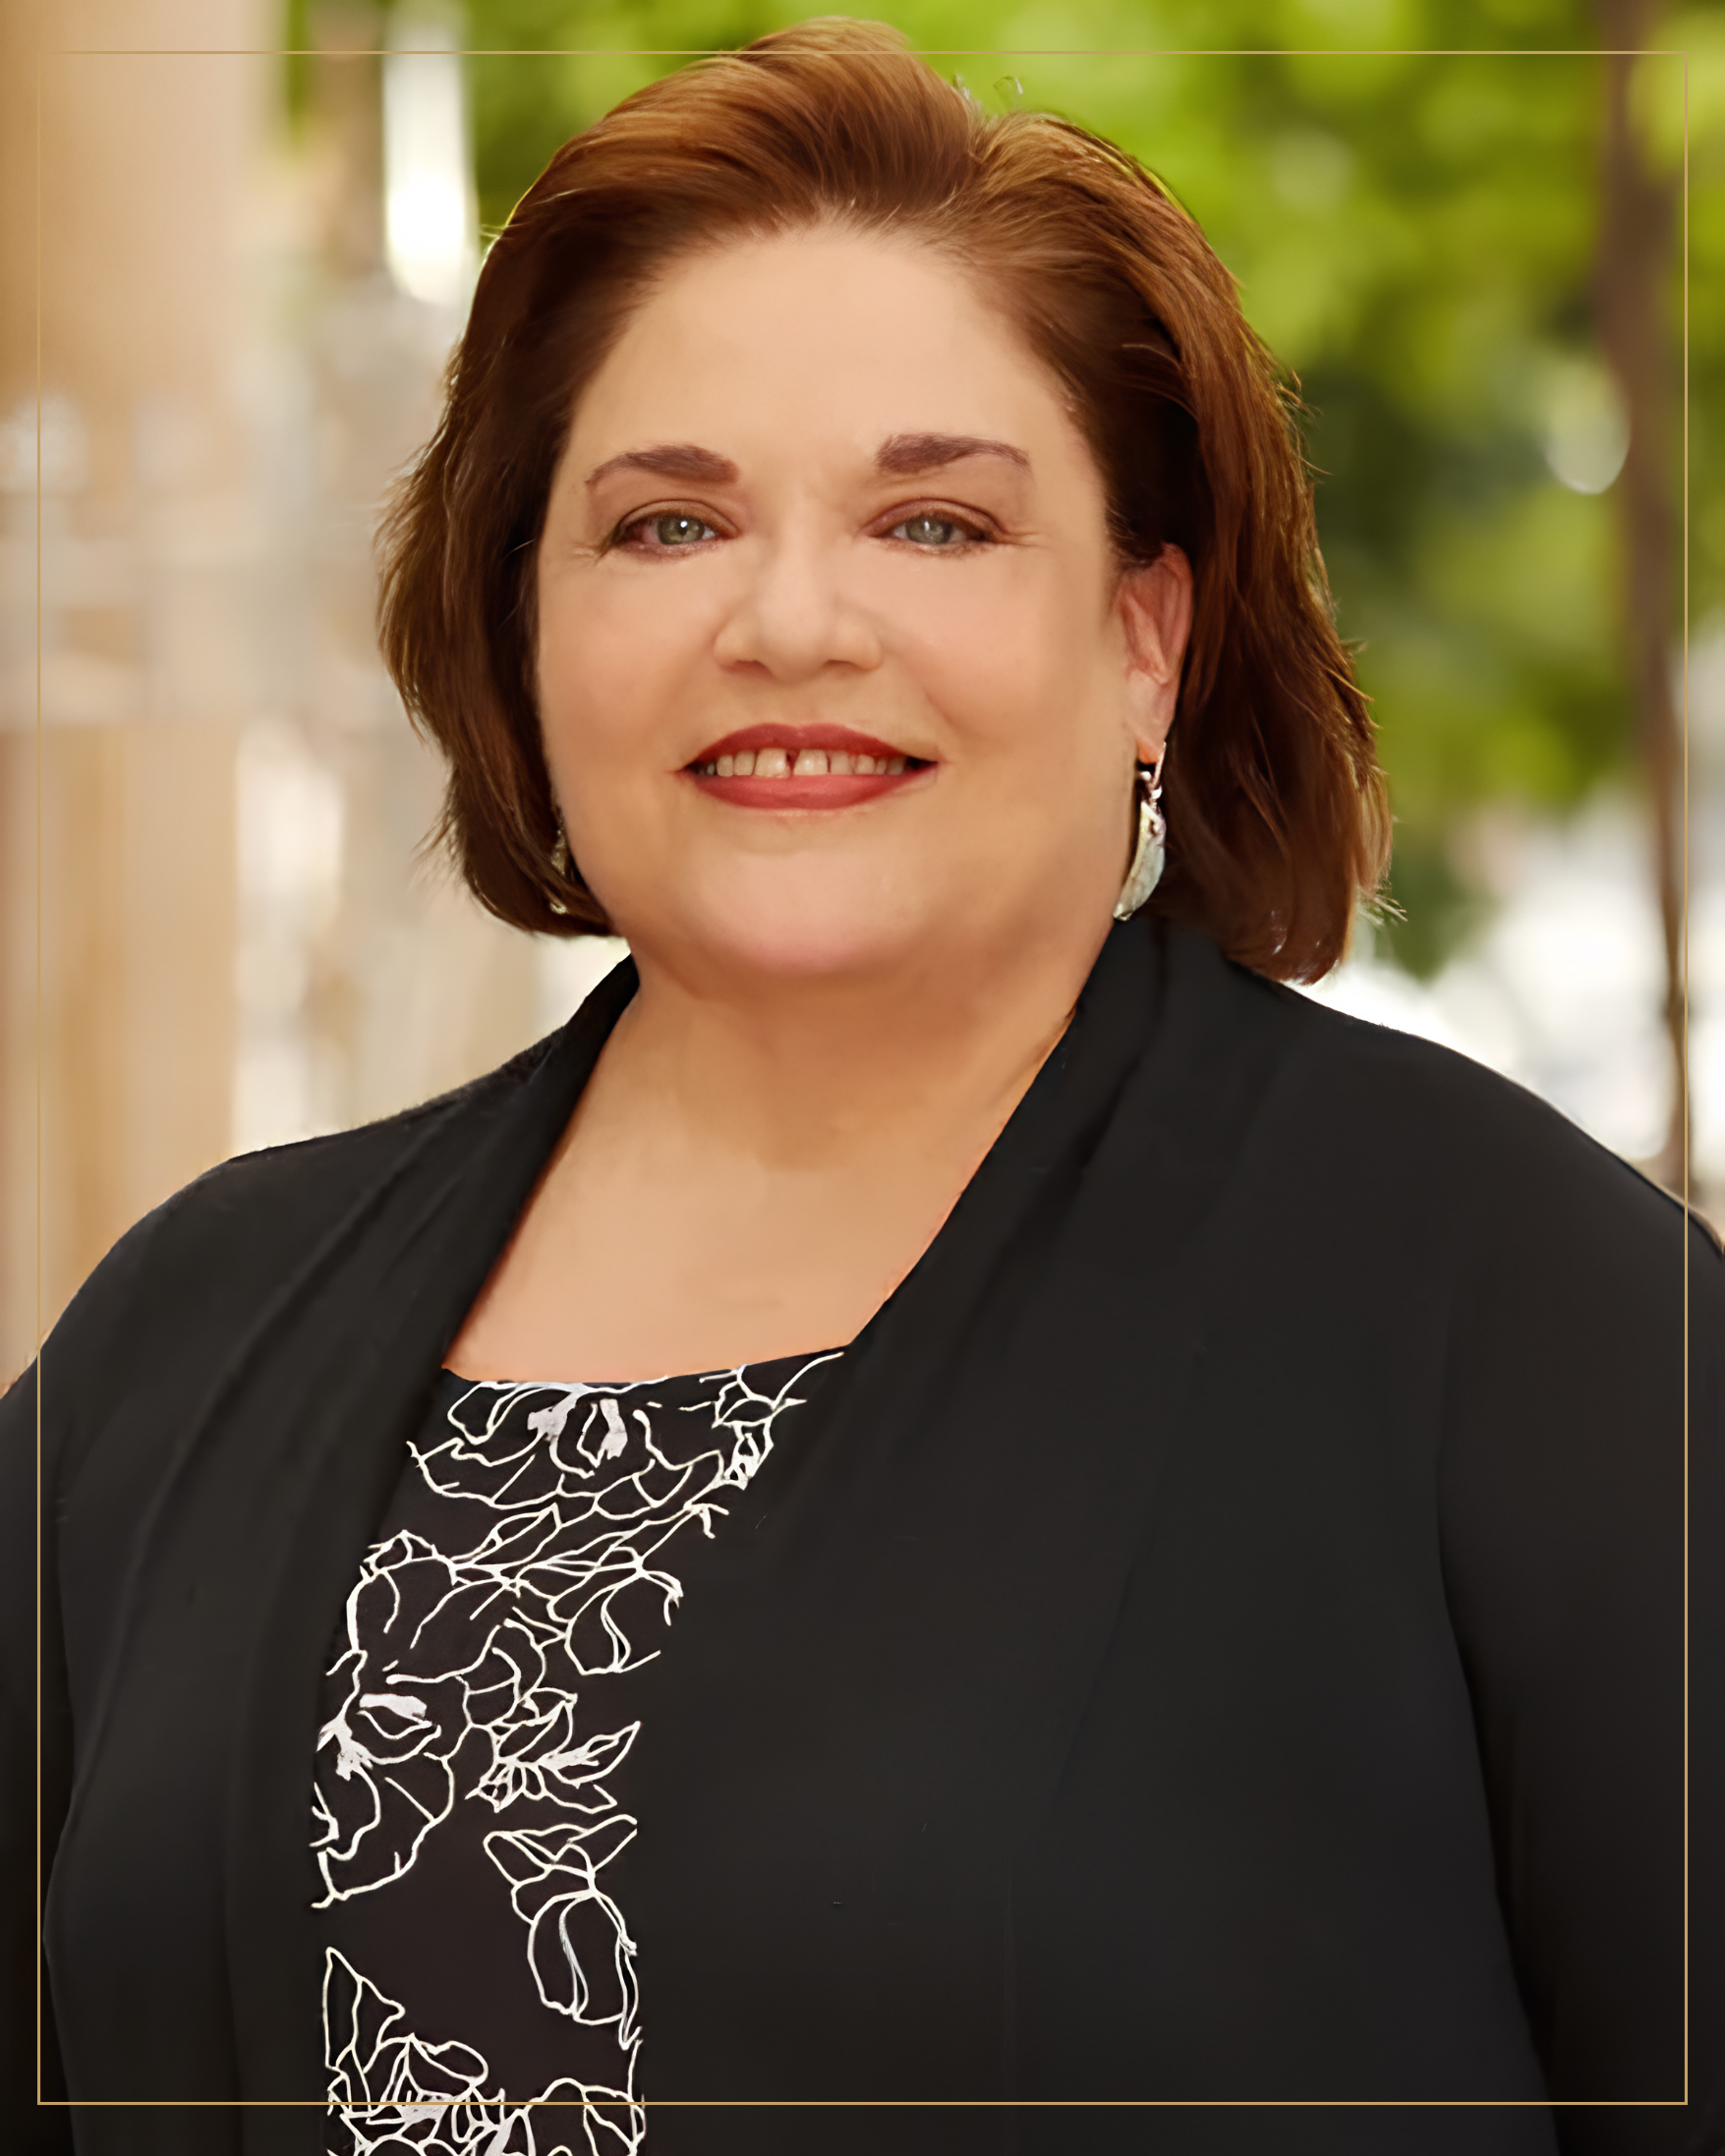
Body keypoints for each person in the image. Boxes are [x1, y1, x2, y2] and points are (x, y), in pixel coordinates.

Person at [3, 19, 1719, 2156]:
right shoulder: (179, 1337)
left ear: (1142, 636)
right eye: (661, 527)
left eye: (931, 522)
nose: (788, 619)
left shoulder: (1527, 1313)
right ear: (525, 625)